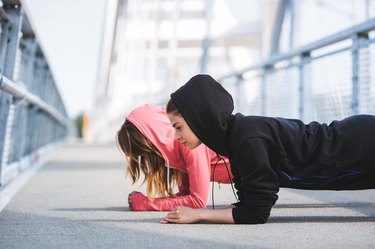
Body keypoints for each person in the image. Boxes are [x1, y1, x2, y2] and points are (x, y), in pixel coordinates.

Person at [162, 74, 375, 224]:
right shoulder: (235, 138)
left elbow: (256, 213)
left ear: (200, 119)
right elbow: (248, 204)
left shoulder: (246, 140)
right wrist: (197, 213)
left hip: (359, 145)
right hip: (355, 139)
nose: (177, 136)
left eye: (179, 127)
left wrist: (199, 215)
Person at [117, 104, 233, 211]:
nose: (148, 160)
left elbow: (198, 201)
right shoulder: (179, 147)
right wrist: (148, 201)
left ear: (156, 137)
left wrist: (148, 204)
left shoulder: (189, 143)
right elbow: (186, 195)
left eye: (146, 153)